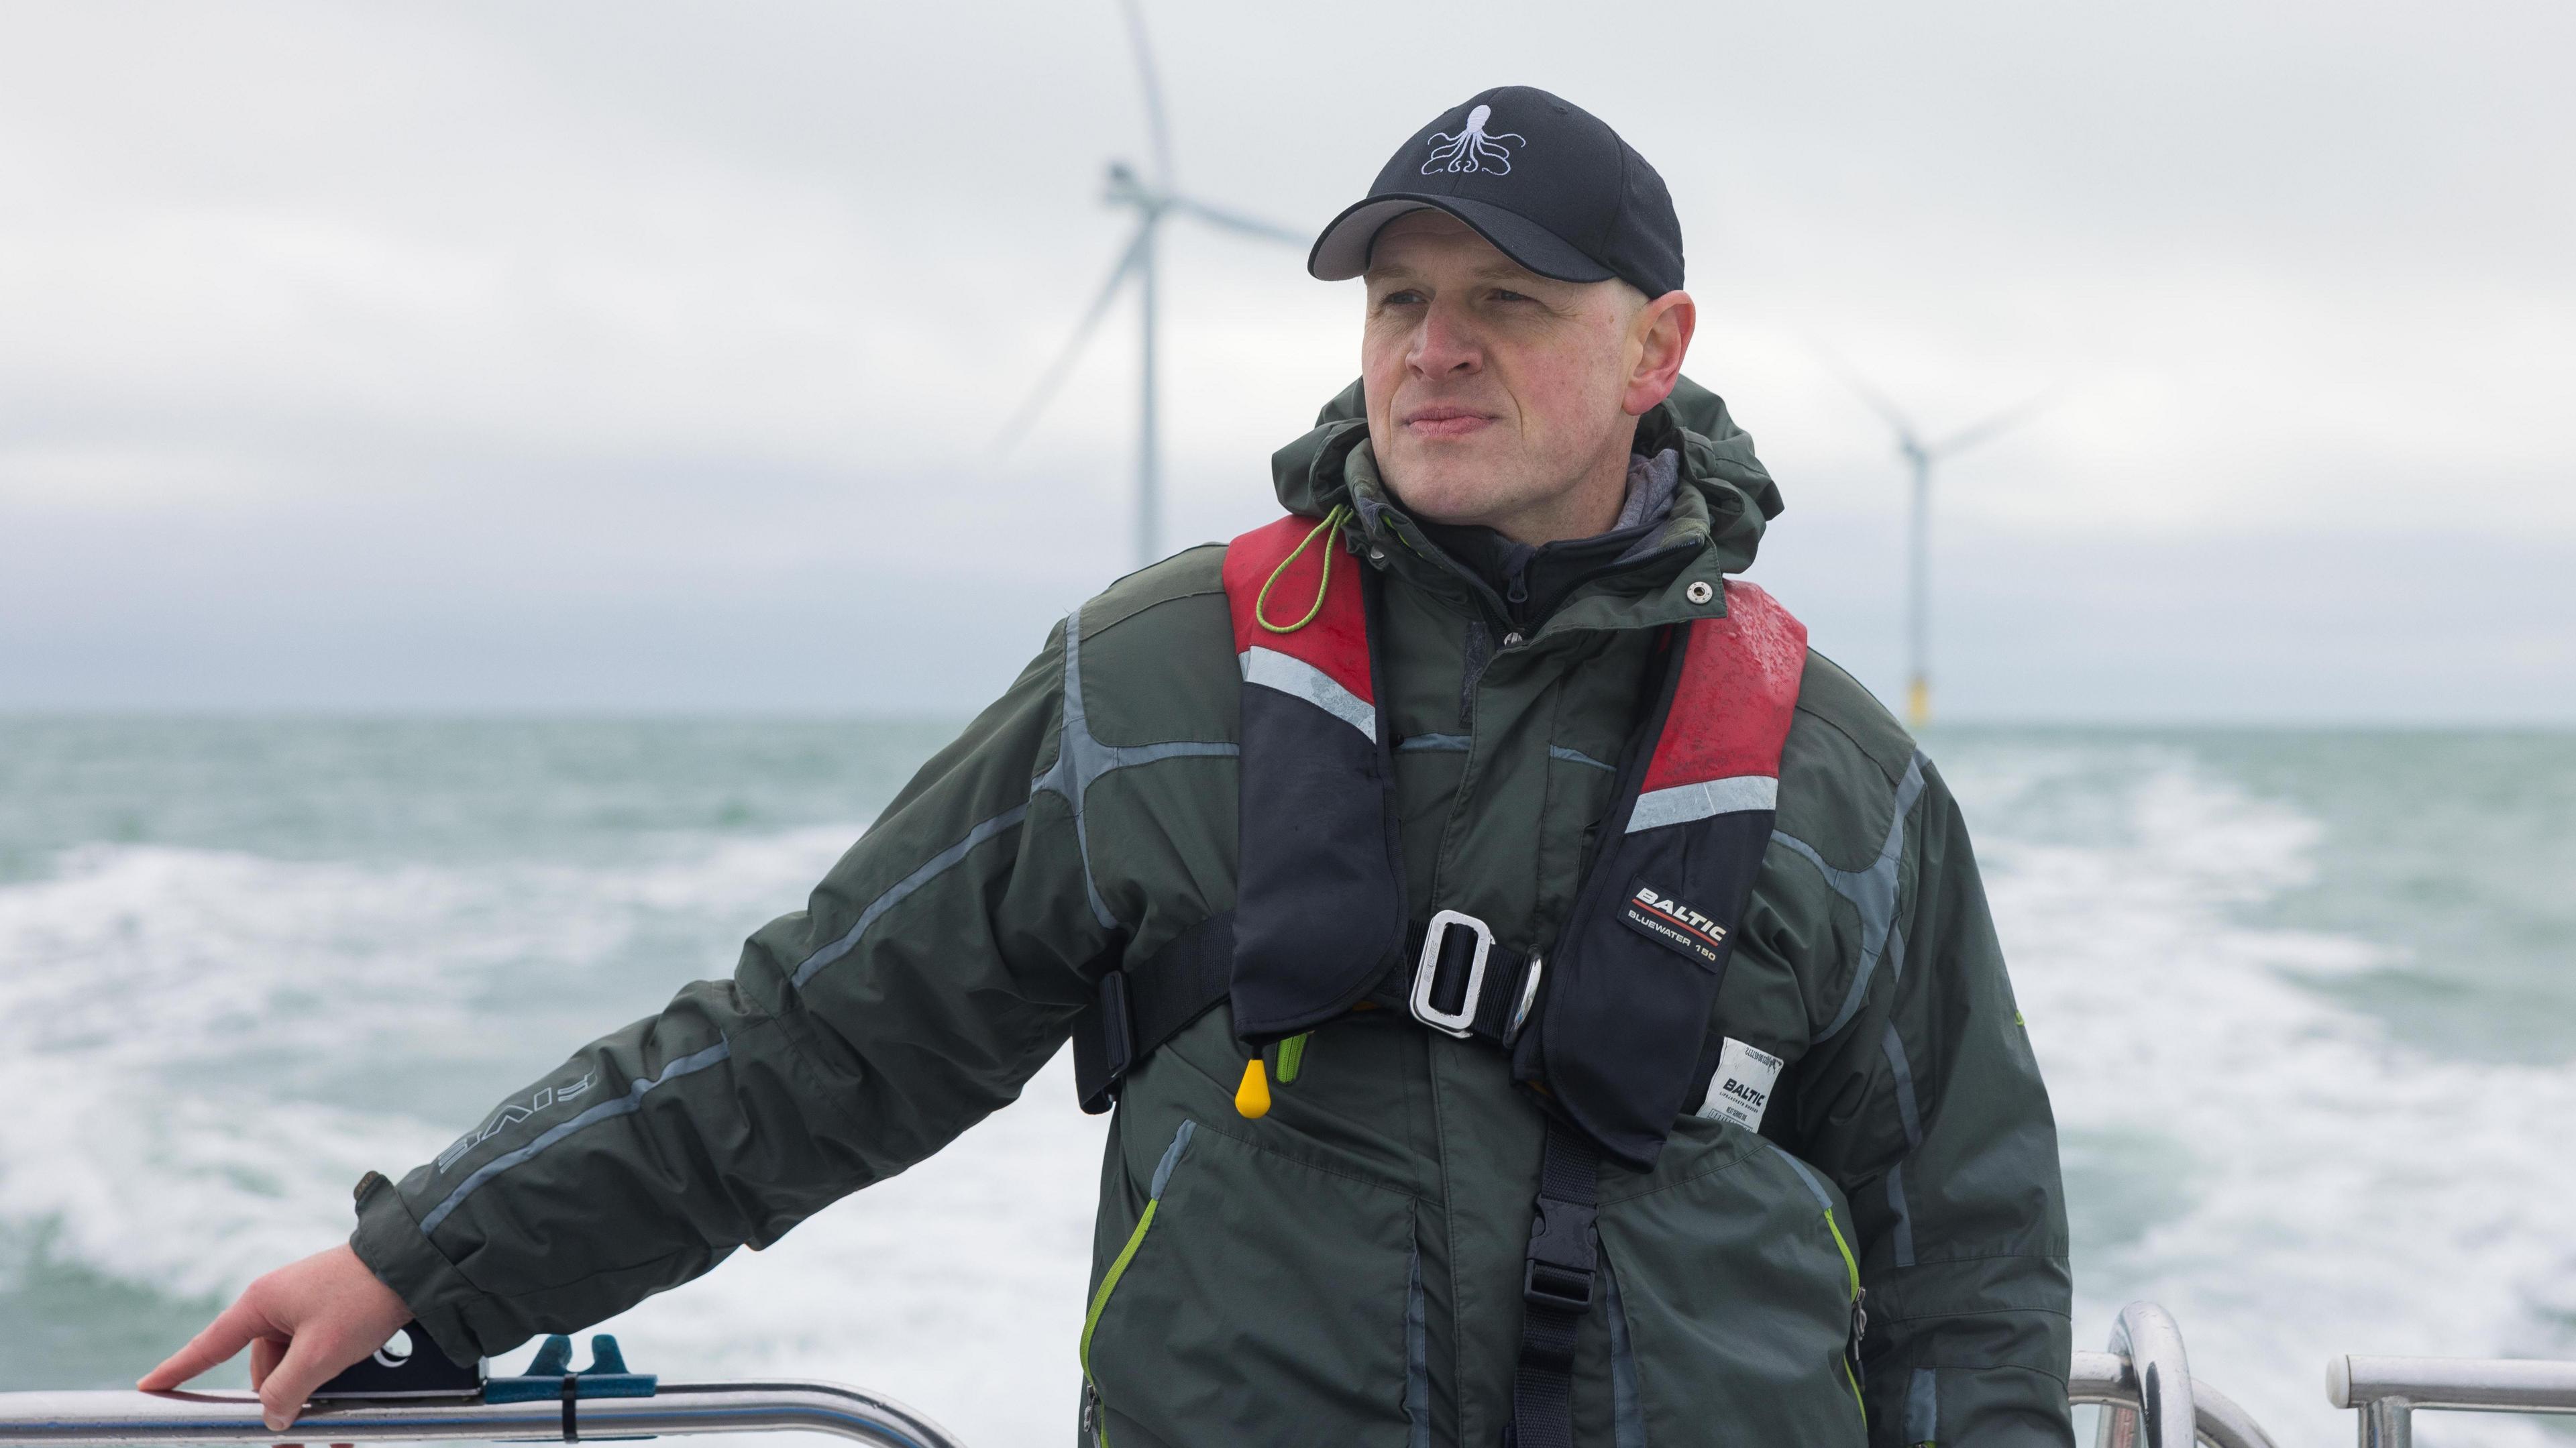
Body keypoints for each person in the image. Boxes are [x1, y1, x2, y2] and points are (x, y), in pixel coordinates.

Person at [142, 86, 2074, 1447]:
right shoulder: (1158, 673)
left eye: (1508, 302)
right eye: (1400, 300)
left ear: (1656, 345)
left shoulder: (1837, 771)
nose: (1434, 351)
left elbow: (1962, 1256)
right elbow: (816, 1038)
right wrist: (424, 1259)